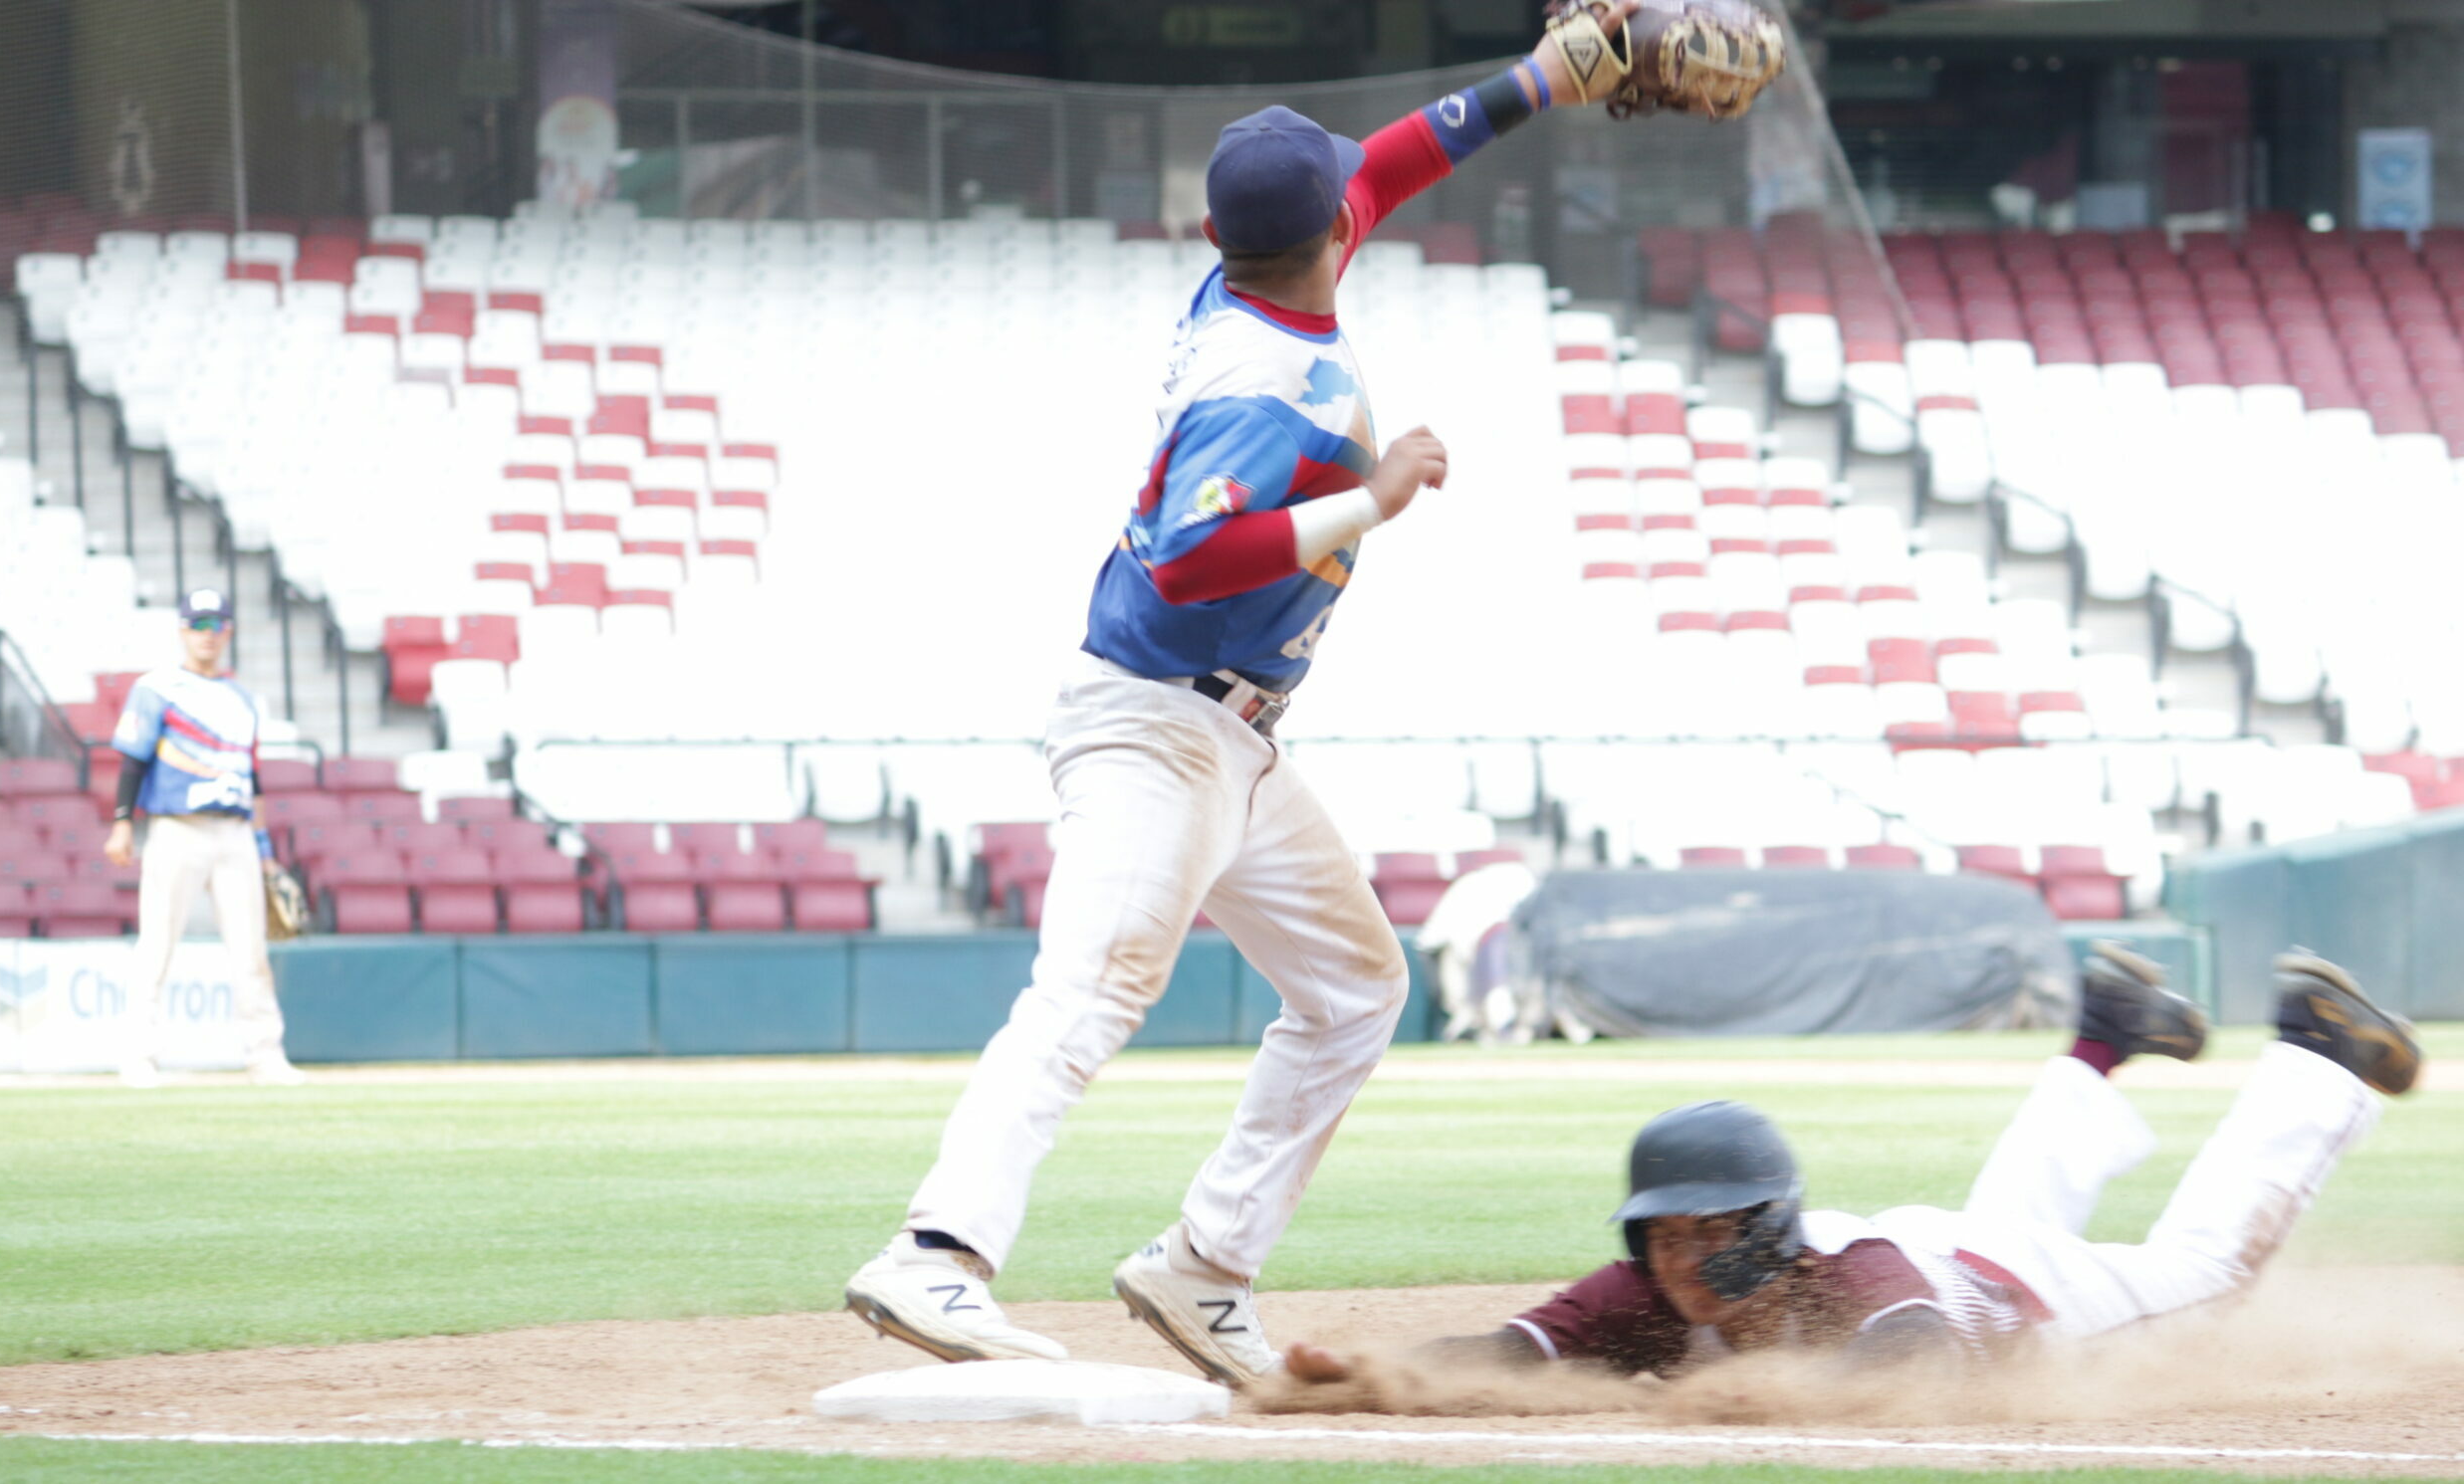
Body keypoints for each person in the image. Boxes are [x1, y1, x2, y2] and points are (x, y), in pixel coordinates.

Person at [842, 8, 1651, 1387]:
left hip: (1235, 738)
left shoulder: (1267, 277)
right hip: (1150, 719)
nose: (1360, 194)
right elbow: (1188, 554)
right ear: (1322, 233)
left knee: (1353, 988)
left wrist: (1542, 80)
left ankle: (1205, 1261)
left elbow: (1395, 159)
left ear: (1222, 237)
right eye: (1344, 196)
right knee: (1091, 989)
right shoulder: (1255, 380)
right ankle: (936, 1251)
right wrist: (1370, 501)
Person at [1278, 947, 2422, 1385]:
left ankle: (2311, 1059)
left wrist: (1743, 1395)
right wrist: (1381, 1373)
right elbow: (1511, 1350)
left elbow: (1914, 1357)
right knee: (2001, 1211)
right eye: (1664, 1233)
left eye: (1708, 1231)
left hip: (2035, 1300)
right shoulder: (1654, 1289)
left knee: (2206, 1268)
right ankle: (2105, 1034)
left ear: (1767, 1228)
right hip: (1957, 1250)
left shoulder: (1857, 1280)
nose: (1680, 1257)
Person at [103, 588, 302, 1088]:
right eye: (198, 625)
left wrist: (265, 851)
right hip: (177, 827)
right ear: (182, 630)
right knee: (157, 944)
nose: (206, 635)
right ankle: (138, 1058)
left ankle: (265, 1056)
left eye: (215, 625)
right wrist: (123, 821)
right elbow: (134, 760)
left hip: (234, 831)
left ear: (228, 630)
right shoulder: (158, 687)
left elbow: (253, 780)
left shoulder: (242, 699)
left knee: (250, 949)